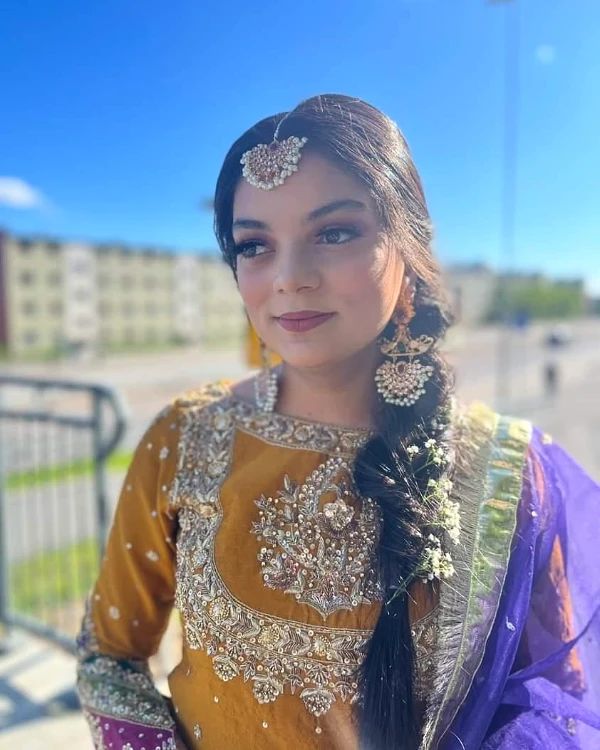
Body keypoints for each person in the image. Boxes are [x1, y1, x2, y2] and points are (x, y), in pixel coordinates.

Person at [75, 94, 600, 749]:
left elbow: (556, 706)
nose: (290, 278)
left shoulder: (510, 477)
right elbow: (108, 656)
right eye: (254, 245)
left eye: (334, 232)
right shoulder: (184, 436)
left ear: (408, 244)